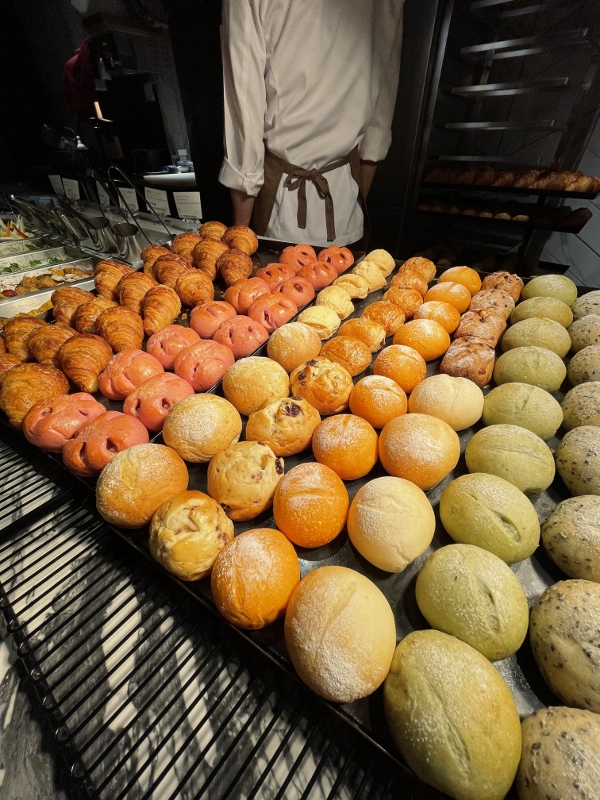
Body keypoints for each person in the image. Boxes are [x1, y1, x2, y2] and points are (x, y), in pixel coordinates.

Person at [219, 0, 405, 247]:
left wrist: (239, 245)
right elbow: (380, 117)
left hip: (281, 219)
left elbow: (244, 110)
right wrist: (355, 201)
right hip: (347, 212)